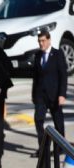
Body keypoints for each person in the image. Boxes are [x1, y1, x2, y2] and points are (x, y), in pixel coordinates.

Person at [32, 30, 67, 158]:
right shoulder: (37, 56)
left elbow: (63, 76)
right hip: (41, 96)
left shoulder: (57, 54)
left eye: (43, 41)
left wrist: (62, 94)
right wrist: (34, 95)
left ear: (49, 40)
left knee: (58, 122)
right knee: (38, 120)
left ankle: (60, 148)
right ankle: (43, 148)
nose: (41, 44)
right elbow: (35, 77)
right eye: (39, 41)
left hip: (55, 94)